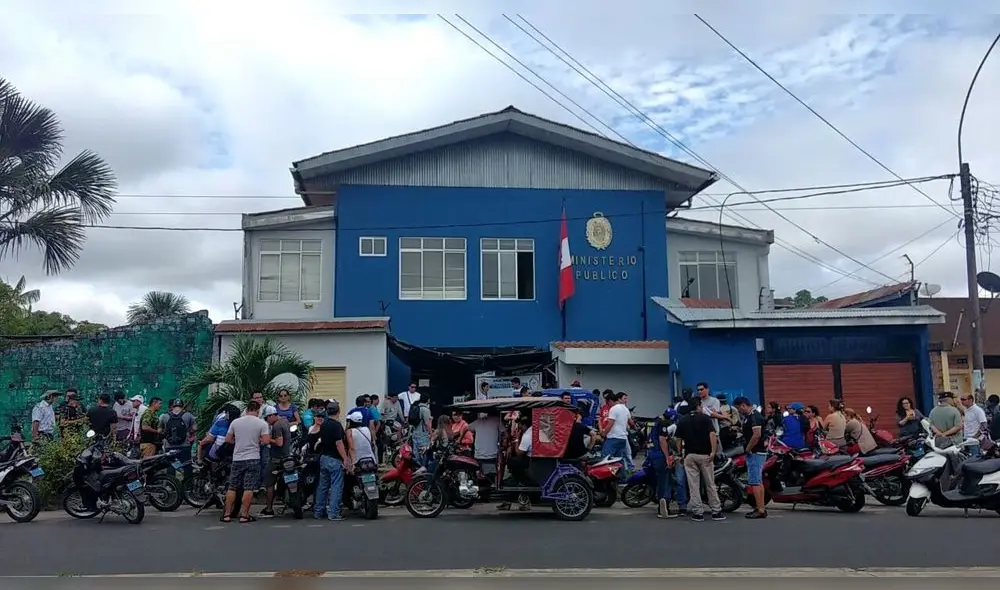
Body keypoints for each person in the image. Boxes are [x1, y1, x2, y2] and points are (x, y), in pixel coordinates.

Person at [675, 396, 724, 522]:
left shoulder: (683, 420)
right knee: (710, 484)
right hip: (705, 455)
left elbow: (678, 439)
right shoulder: (706, 419)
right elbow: (712, 435)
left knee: (693, 485)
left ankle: (698, 513)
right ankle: (716, 511)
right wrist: (713, 452)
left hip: (689, 456)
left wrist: (680, 454)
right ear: (699, 406)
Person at [221, 400, 271, 524]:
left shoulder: (235, 422)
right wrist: (257, 440)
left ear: (247, 409)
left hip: (237, 458)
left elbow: (228, 439)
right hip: (253, 458)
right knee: (248, 488)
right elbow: (266, 441)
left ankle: (227, 515)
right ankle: (244, 516)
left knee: (232, 487)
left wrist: (238, 441)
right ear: (258, 410)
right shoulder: (262, 423)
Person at [314, 402, 351, 521]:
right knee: (336, 486)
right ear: (338, 411)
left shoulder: (324, 424)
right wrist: (345, 458)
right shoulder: (336, 425)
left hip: (324, 457)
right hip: (334, 458)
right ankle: (333, 513)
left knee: (323, 486)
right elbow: (339, 443)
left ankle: (319, 511)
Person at [734, 396, 768, 519]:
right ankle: (760, 507)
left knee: (755, 482)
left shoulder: (754, 417)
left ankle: (760, 509)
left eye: (739, 408)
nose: (739, 411)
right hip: (756, 452)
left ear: (743, 405)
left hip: (755, 452)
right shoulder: (749, 417)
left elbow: (756, 435)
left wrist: (748, 448)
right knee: (757, 481)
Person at [259, 405, 292, 517]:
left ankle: (269, 508)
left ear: (272, 416)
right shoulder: (285, 421)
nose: (266, 421)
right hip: (287, 456)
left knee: (269, 482)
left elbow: (279, 443)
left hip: (277, 459)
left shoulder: (277, 425)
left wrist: (268, 440)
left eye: (267, 418)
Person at [648, 408, 676, 518]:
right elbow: (662, 440)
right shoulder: (663, 424)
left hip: (651, 453)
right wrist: (667, 457)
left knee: (660, 481)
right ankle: (663, 509)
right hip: (659, 455)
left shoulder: (653, 422)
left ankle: (661, 505)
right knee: (665, 481)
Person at [159, 398, 196, 479]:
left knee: (171, 465)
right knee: (186, 465)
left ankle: (171, 486)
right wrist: (189, 431)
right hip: (184, 445)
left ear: (173, 406)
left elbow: (159, 431)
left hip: (169, 446)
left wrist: (166, 433)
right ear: (182, 407)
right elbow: (194, 428)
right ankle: (187, 486)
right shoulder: (188, 415)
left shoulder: (165, 416)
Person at [600, 392, 632, 477]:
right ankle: (622, 479)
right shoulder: (625, 408)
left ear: (610, 401)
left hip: (613, 438)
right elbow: (630, 421)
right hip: (622, 438)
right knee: (619, 460)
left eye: (608, 403)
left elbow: (610, 424)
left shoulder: (613, 409)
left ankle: (606, 479)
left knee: (605, 458)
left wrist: (603, 433)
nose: (608, 405)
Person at [408, 395, 432, 465]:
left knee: (416, 453)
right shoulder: (425, 410)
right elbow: (427, 423)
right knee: (424, 452)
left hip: (415, 433)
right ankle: (423, 468)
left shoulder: (415, 407)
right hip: (423, 434)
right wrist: (431, 433)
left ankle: (416, 468)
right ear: (428, 400)